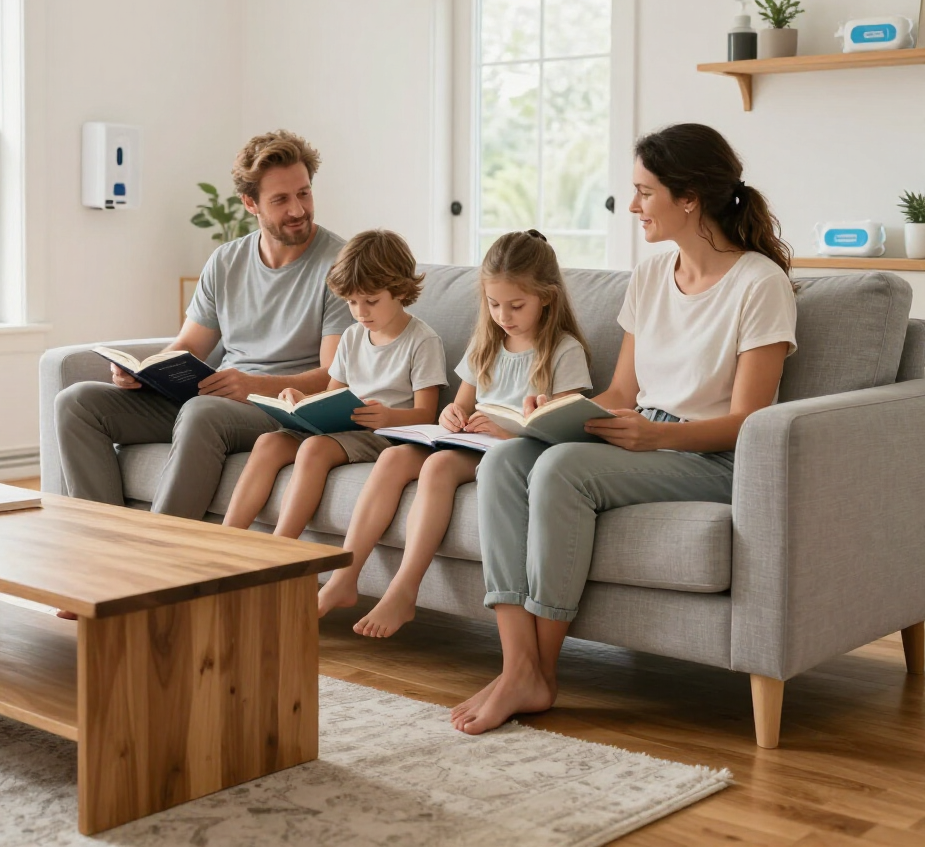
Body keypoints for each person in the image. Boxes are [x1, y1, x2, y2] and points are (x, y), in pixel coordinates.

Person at [452, 123, 798, 735]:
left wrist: (657, 436)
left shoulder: (759, 285)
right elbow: (620, 395)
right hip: (645, 432)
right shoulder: (649, 276)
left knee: (562, 470)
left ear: (687, 198)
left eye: (644, 192)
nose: (633, 205)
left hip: (713, 455)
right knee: (505, 460)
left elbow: (750, 421)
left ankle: (541, 673)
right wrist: (551, 408)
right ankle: (518, 664)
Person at [54, 130, 354, 520]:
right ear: (251, 203)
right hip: (218, 398)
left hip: (280, 408)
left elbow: (332, 377)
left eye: (304, 193)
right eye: (281, 199)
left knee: (202, 412)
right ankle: (109, 545)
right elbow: (190, 345)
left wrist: (252, 386)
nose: (298, 209)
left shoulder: (341, 265)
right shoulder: (226, 261)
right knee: (76, 403)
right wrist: (144, 372)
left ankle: (165, 555)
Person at [318, 229, 592, 637]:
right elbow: (461, 402)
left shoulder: (563, 350)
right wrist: (451, 415)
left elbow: (567, 426)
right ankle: (345, 574)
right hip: (470, 442)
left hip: (513, 451)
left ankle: (404, 589)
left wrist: (506, 431)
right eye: (494, 304)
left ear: (547, 298)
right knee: (394, 457)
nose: (503, 316)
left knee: (439, 467)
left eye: (516, 305)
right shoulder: (487, 343)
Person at [222, 229, 449, 538]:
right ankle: (225, 539)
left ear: (399, 290)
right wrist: (300, 400)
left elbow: (427, 414)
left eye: (371, 301)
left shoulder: (422, 340)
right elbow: (332, 395)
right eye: (352, 302)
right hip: (342, 429)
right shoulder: (352, 336)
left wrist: (388, 416)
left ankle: (281, 548)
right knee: (268, 443)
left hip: (382, 434)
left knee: (315, 449)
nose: (360, 312)